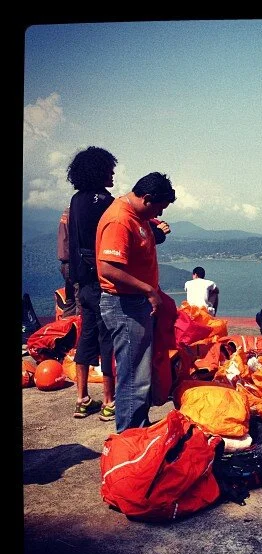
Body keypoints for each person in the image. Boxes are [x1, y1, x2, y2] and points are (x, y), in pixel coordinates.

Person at [97, 172, 177, 433]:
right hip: (124, 305)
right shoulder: (120, 219)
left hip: (136, 303)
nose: (159, 214)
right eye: (158, 207)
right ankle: (131, 434)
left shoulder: (138, 216)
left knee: (141, 370)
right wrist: (147, 290)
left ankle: (138, 426)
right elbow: (108, 268)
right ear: (147, 198)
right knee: (133, 375)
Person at [67, 146, 118, 420]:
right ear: (98, 171)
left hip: (83, 282)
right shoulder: (105, 201)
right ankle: (109, 401)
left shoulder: (76, 200)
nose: (113, 174)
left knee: (86, 336)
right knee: (107, 338)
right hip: (102, 281)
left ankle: (82, 399)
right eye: (109, 169)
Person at [57, 207, 79, 317]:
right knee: (81, 303)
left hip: (65, 263)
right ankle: (79, 327)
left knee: (70, 302)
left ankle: (66, 326)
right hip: (75, 263)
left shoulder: (67, 211)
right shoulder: (77, 211)